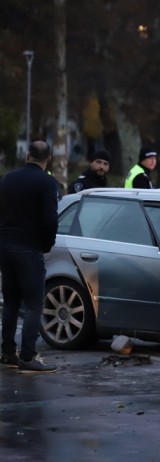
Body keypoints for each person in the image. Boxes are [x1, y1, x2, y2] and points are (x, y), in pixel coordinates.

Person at [0, 140, 59, 373]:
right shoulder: (46, 182)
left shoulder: (8, 179)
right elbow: (50, 219)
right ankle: (27, 356)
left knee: (11, 303)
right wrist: (46, 244)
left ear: (27, 155)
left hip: (4, 245)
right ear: (49, 159)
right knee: (34, 304)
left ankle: (6, 353)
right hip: (28, 247)